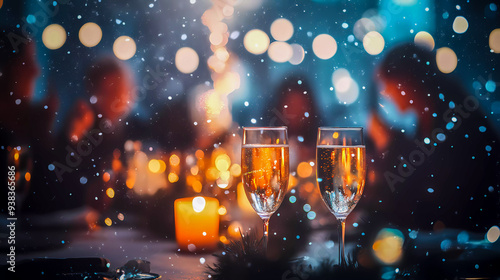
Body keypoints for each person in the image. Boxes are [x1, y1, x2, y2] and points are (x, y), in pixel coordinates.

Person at [362, 43, 500, 232]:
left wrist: (390, 144)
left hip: (472, 243)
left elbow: (430, 192)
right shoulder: (430, 120)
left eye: (387, 84)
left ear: (408, 80)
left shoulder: (457, 122)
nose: (385, 93)